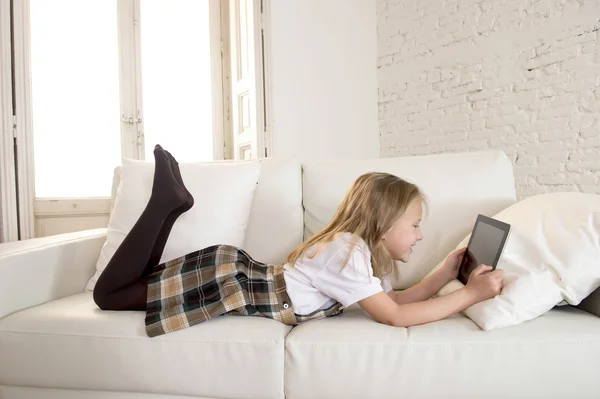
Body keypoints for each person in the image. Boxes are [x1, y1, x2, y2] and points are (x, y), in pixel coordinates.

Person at [93, 145, 504, 337]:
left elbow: (396, 303)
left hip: (239, 275)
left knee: (133, 283)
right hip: (233, 282)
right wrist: (469, 296)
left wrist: (445, 274)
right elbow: (394, 318)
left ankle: (169, 204)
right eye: (414, 224)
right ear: (385, 223)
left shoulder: (360, 254)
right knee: (109, 295)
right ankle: (163, 203)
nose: (420, 234)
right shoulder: (347, 252)